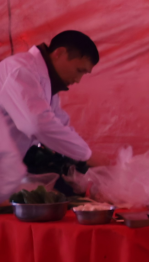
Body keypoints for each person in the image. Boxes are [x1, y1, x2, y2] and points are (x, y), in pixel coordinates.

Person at [0, 30, 98, 199]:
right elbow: (37, 125)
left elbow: (60, 124)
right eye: (79, 70)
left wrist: (82, 163)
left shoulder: (45, 83)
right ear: (59, 53)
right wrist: (87, 155)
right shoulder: (20, 70)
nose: (78, 80)